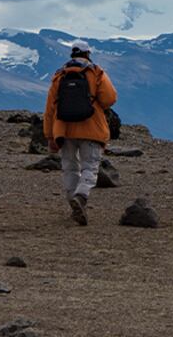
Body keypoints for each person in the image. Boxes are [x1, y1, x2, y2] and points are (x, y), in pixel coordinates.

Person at [43, 39, 117, 226]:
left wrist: (49, 136)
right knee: (90, 167)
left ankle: (73, 203)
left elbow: (50, 108)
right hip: (91, 127)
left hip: (64, 128)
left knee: (69, 167)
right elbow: (109, 99)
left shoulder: (59, 75)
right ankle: (81, 197)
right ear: (88, 54)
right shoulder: (96, 72)